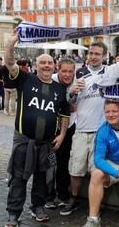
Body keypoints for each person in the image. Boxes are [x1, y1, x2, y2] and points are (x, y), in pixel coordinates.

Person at [60, 21, 119, 216]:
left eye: (97, 54)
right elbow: (69, 100)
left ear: (104, 56)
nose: (93, 57)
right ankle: (74, 198)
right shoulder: (79, 74)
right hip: (81, 130)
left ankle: (96, 206)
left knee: (97, 172)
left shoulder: (109, 72)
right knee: (75, 170)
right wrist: (72, 92)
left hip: (101, 131)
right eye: (90, 54)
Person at [4, 30, 70, 227]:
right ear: (36, 65)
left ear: (54, 66)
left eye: (50, 63)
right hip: (24, 140)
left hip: (47, 144)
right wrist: (10, 44)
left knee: (43, 177)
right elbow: (9, 63)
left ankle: (38, 207)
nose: (47, 66)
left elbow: (64, 114)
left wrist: (62, 134)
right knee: (18, 177)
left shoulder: (60, 89)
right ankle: (13, 213)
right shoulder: (25, 79)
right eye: (43, 63)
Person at [45, 58, 77, 209]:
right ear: (58, 69)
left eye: (71, 71)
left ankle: (63, 194)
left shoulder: (77, 82)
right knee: (49, 162)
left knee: (64, 162)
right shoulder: (49, 81)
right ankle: (48, 196)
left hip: (69, 127)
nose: (67, 74)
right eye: (64, 71)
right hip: (50, 127)